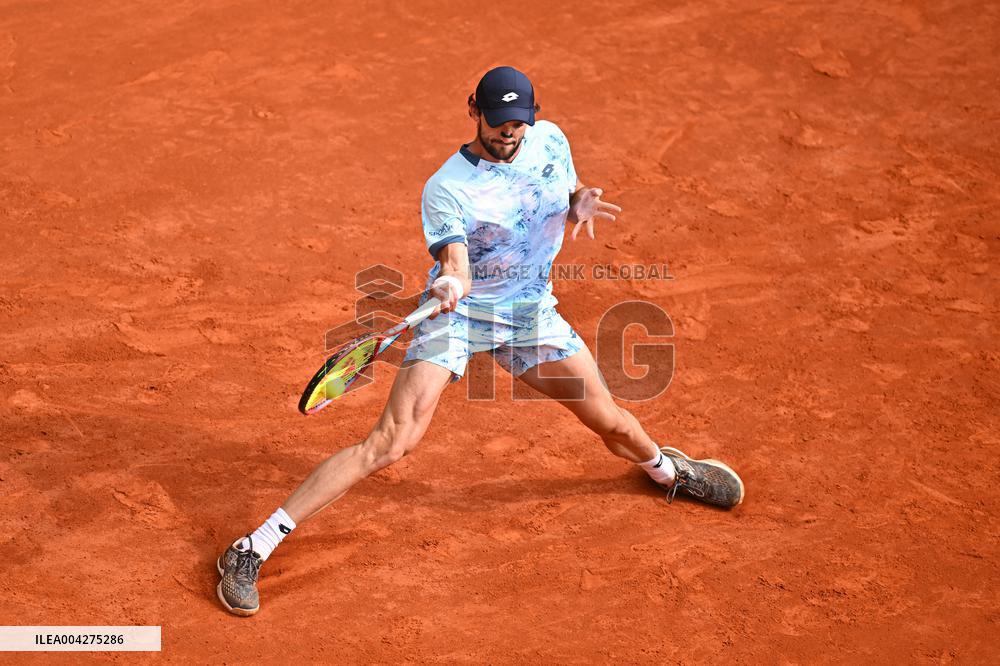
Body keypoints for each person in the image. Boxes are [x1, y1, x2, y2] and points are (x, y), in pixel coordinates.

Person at [216, 66, 744, 616]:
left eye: (517, 124)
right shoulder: (448, 188)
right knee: (391, 443)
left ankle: (665, 470)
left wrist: (578, 201)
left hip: (529, 314)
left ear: (532, 118)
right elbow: (456, 261)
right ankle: (252, 548)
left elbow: (563, 186)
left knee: (611, 421)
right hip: (460, 314)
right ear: (474, 111)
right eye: (496, 124)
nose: (506, 134)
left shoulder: (550, 138)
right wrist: (451, 281)